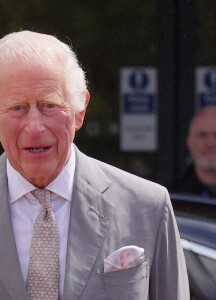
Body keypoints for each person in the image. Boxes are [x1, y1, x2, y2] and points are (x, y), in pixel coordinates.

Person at [0, 31, 189, 300]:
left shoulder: (147, 207)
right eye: (16, 107)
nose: (34, 127)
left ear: (80, 112)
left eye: (49, 105)